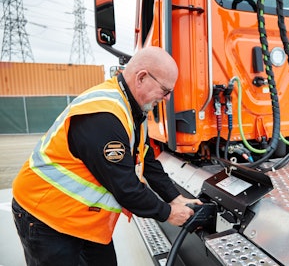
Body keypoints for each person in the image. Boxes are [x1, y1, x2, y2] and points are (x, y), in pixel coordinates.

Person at [12, 46, 201, 266]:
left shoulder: (134, 110)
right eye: (165, 90)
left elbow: (145, 159)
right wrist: (168, 213)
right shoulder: (105, 115)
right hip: (46, 216)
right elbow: (126, 187)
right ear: (141, 77)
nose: (168, 98)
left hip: (82, 219)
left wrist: (175, 198)